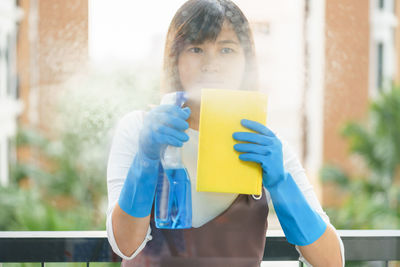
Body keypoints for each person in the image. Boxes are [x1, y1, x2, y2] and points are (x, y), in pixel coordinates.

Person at [106, 0, 345, 266]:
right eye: (196, 48)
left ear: (247, 61)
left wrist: (280, 182)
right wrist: (146, 159)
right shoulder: (139, 128)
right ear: (175, 59)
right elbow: (124, 246)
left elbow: (331, 261)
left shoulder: (263, 142)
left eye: (226, 49)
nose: (211, 64)